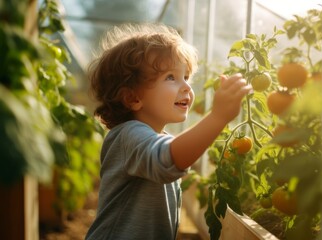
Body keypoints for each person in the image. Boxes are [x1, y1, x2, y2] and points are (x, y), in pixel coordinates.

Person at [85, 22, 252, 240]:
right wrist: (218, 117)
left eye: (186, 77)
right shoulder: (128, 135)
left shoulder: (158, 139)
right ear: (133, 98)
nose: (186, 87)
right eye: (171, 77)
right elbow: (167, 161)